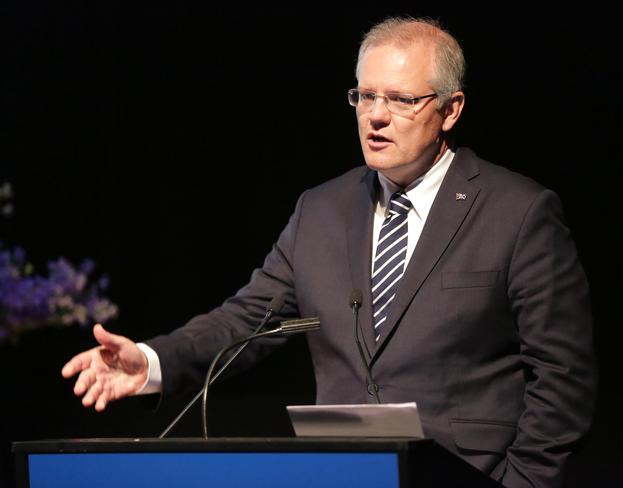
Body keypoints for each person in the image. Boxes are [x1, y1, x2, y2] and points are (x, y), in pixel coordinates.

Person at [62, 17, 596, 488]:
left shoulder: (517, 211)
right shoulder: (321, 210)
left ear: (451, 109)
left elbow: (564, 376)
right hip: (339, 472)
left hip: (468, 473)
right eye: (365, 96)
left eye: (401, 99)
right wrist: (151, 362)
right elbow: (245, 320)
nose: (375, 117)